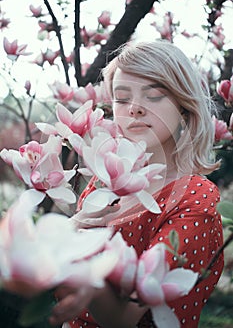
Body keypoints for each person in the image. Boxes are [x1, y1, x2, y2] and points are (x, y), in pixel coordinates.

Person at [49, 40, 224, 328]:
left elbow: (124, 320)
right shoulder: (104, 182)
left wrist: (73, 253)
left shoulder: (194, 198)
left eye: (154, 95)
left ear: (183, 105)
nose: (135, 109)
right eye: (121, 97)